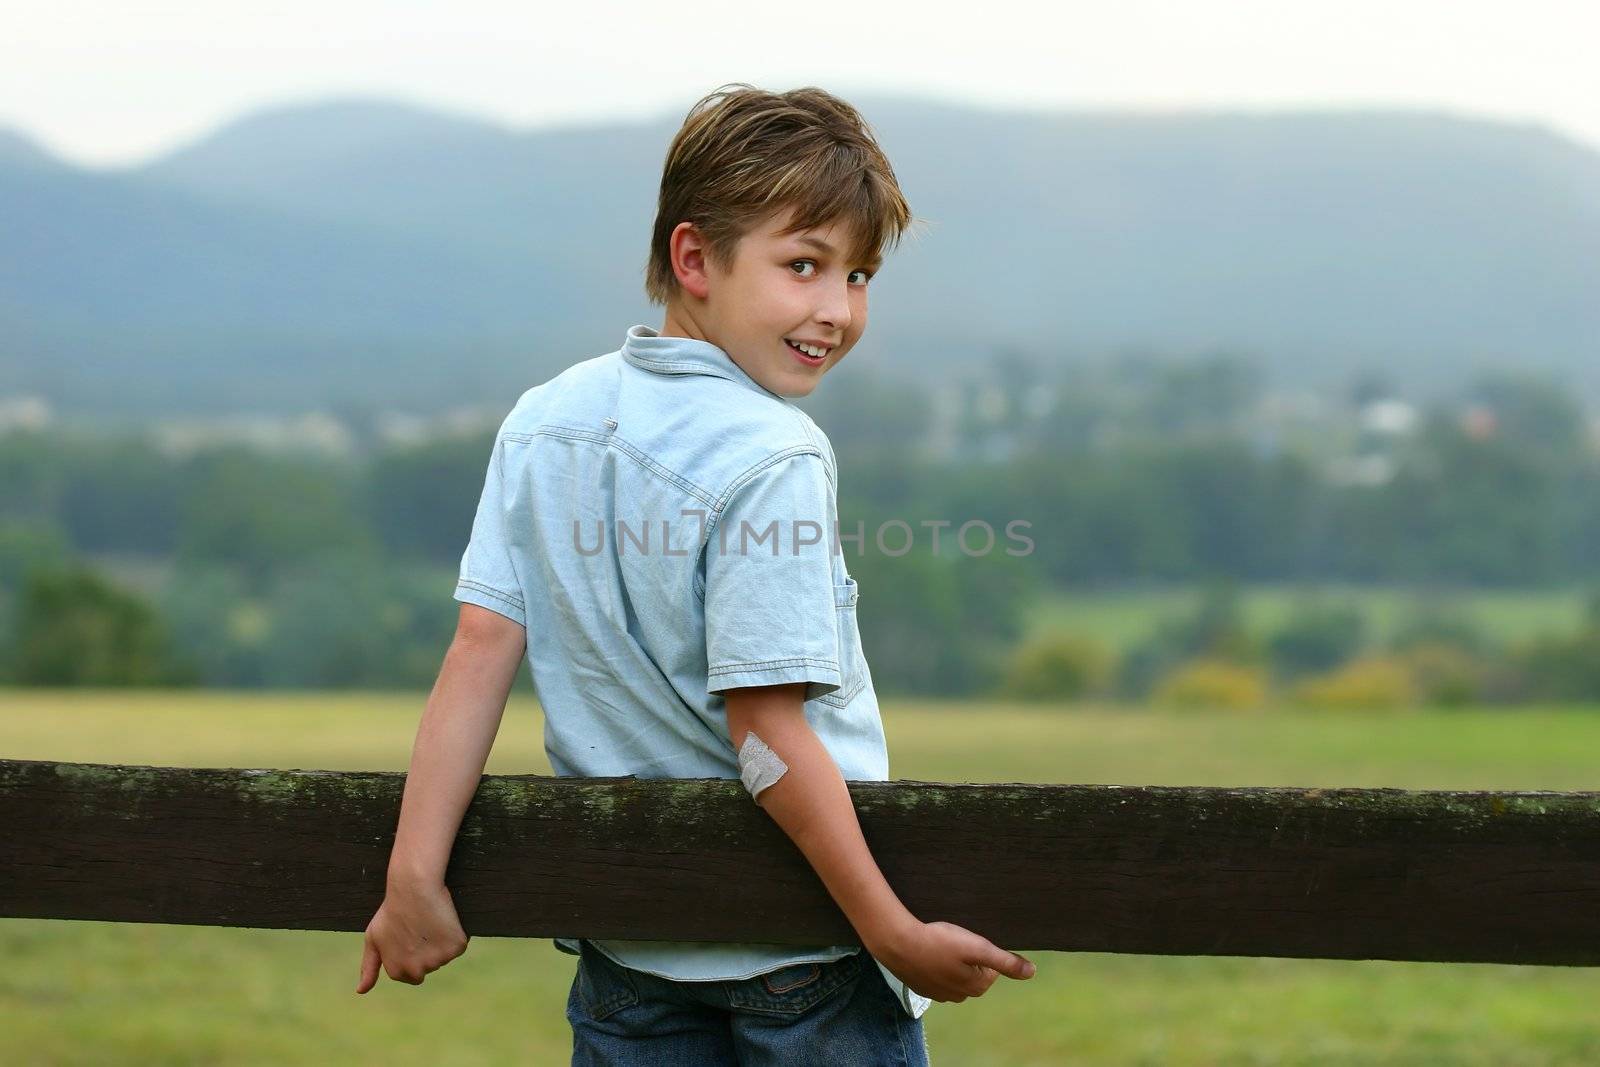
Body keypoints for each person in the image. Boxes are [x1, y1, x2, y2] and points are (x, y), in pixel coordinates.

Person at [355, 83, 1036, 1064]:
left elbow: (478, 651)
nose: (835, 309)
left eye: (858, 275)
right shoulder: (773, 452)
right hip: (807, 963)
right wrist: (890, 929)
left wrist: (413, 876)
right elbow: (763, 733)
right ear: (692, 258)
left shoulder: (545, 419)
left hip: (630, 951)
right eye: (803, 265)